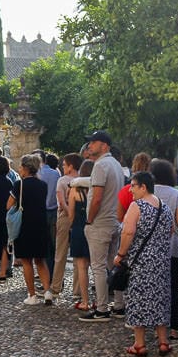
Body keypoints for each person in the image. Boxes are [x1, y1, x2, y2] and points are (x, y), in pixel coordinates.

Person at [117, 171, 175, 356]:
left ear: (143, 187)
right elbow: (171, 231)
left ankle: (139, 344)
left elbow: (128, 232)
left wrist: (121, 254)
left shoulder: (137, 206)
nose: (130, 190)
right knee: (160, 298)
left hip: (141, 262)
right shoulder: (164, 207)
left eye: (133, 186)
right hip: (162, 261)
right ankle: (163, 342)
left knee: (139, 299)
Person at [80, 131, 125, 321]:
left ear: (104, 145)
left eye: (93, 142)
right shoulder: (116, 164)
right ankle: (120, 305)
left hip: (100, 222)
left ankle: (102, 308)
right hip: (113, 220)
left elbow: (97, 197)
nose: (90, 145)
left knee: (98, 267)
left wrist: (89, 219)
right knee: (113, 264)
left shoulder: (100, 165)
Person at [150, 159, 178, 341]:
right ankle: (174, 329)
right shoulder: (177, 194)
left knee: (153, 287)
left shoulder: (146, 194)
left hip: (151, 248)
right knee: (174, 289)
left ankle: (153, 325)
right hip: (174, 247)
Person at [11, 154, 52, 304]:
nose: (19, 169)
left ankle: (32, 295)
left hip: (24, 225)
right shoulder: (43, 185)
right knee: (41, 260)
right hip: (40, 224)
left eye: (21, 166)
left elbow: (8, 205)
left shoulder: (18, 185)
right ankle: (47, 291)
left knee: (27, 261)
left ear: (26, 168)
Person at [50, 153, 81, 299]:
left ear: (70, 166)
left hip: (64, 216)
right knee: (78, 256)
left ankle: (56, 286)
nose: (62, 167)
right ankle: (77, 290)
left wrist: (70, 214)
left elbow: (62, 201)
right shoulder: (83, 180)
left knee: (60, 253)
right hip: (80, 218)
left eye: (64, 165)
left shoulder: (62, 180)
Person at [68, 160, 95, 310]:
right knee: (97, 267)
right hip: (94, 227)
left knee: (81, 267)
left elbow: (71, 214)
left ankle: (85, 301)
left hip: (79, 228)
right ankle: (100, 300)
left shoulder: (75, 190)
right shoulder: (97, 189)